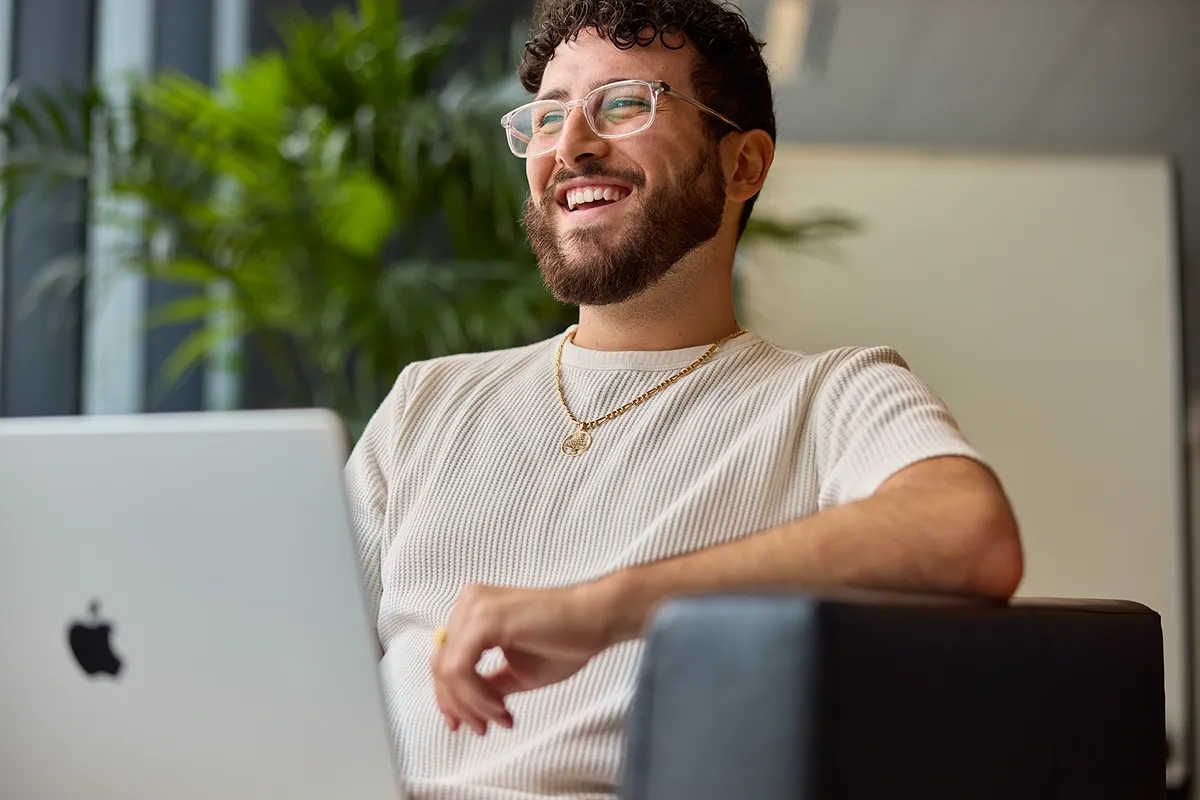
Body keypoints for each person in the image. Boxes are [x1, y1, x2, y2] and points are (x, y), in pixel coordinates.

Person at [344, 0, 1024, 797]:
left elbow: (967, 530)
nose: (571, 146)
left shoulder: (827, 395)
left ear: (742, 165)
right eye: (549, 114)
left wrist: (603, 609)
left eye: (625, 103)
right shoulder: (429, 401)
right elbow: (284, 657)